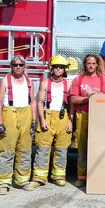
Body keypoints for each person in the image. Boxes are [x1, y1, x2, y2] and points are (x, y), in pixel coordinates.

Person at [0, 55, 37, 195]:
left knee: (25, 149)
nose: (18, 67)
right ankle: (3, 182)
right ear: (11, 66)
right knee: (7, 150)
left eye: (20, 64)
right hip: (10, 115)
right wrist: (0, 123)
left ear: (25, 66)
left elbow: (33, 102)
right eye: (15, 65)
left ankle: (22, 180)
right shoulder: (4, 81)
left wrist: (34, 121)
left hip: (26, 115)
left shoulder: (29, 81)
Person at [30, 55, 72, 188]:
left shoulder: (69, 84)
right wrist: (41, 120)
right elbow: (39, 103)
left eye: (61, 67)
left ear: (65, 69)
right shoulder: (45, 84)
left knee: (61, 148)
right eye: (56, 67)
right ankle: (39, 177)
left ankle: (58, 176)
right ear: (51, 68)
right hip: (47, 115)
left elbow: (72, 105)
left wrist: (70, 121)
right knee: (43, 148)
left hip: (63, 116)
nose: (58, 69)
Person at [70, 54, 105, 187]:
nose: (91, 66)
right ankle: (82, 177)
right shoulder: (78, 79)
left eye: (94, 63)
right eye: (89, 63)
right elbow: (73, 99)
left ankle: (97, 176)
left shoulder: (103, 79)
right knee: (82, 147)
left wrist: (93, 95)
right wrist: (89, 98)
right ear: (85, 64)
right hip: (82, 115)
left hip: (99, 116)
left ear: (97, 65)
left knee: (98, 146)